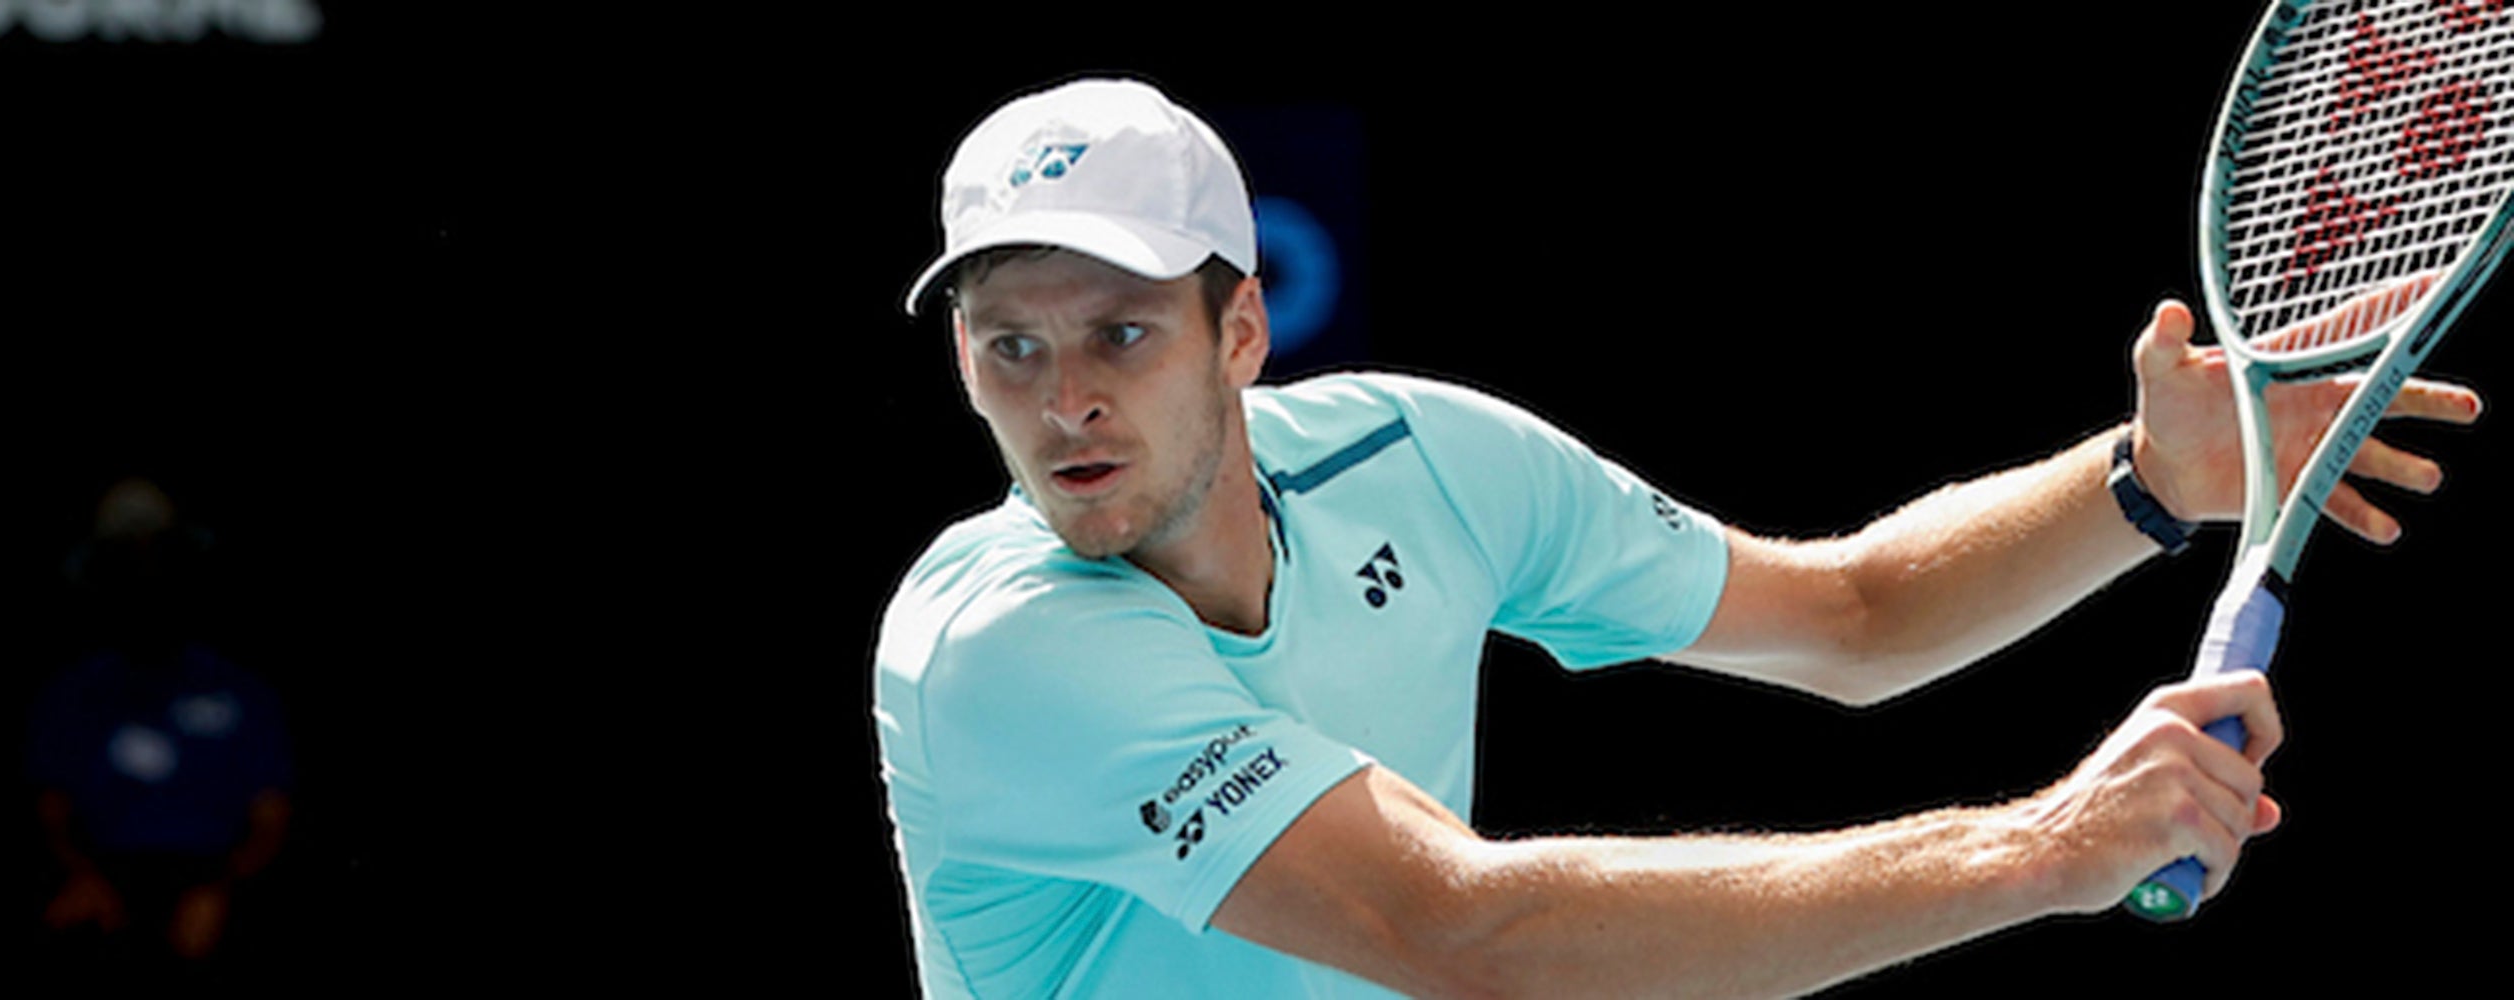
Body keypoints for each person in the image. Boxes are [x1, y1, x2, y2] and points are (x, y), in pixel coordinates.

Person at [870, 78, 2482, 998]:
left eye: (1122, 334)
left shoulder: (1414, 460)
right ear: (962, 363)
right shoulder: (999, 653)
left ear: (1240, 332)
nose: (1066, 401)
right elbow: (1459, 928)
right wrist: (2045, 848)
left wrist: (2143, 477)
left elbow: (1851, 615)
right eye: (1013, 348)